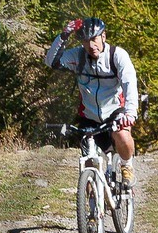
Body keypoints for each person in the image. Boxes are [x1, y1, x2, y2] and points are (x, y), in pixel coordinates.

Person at [44, 17, 138, 185]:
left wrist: (130, 113)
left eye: (94, 39)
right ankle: (93, 206)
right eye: (86, 41)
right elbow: (51, 62)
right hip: (89, 115)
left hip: (115, 111)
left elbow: (129, 83)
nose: (91, 45)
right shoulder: (78, 56)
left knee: (122, 135)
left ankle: (126, 165)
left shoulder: (117, 56)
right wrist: (63, 36)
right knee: (88, 163)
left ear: (103, 36)